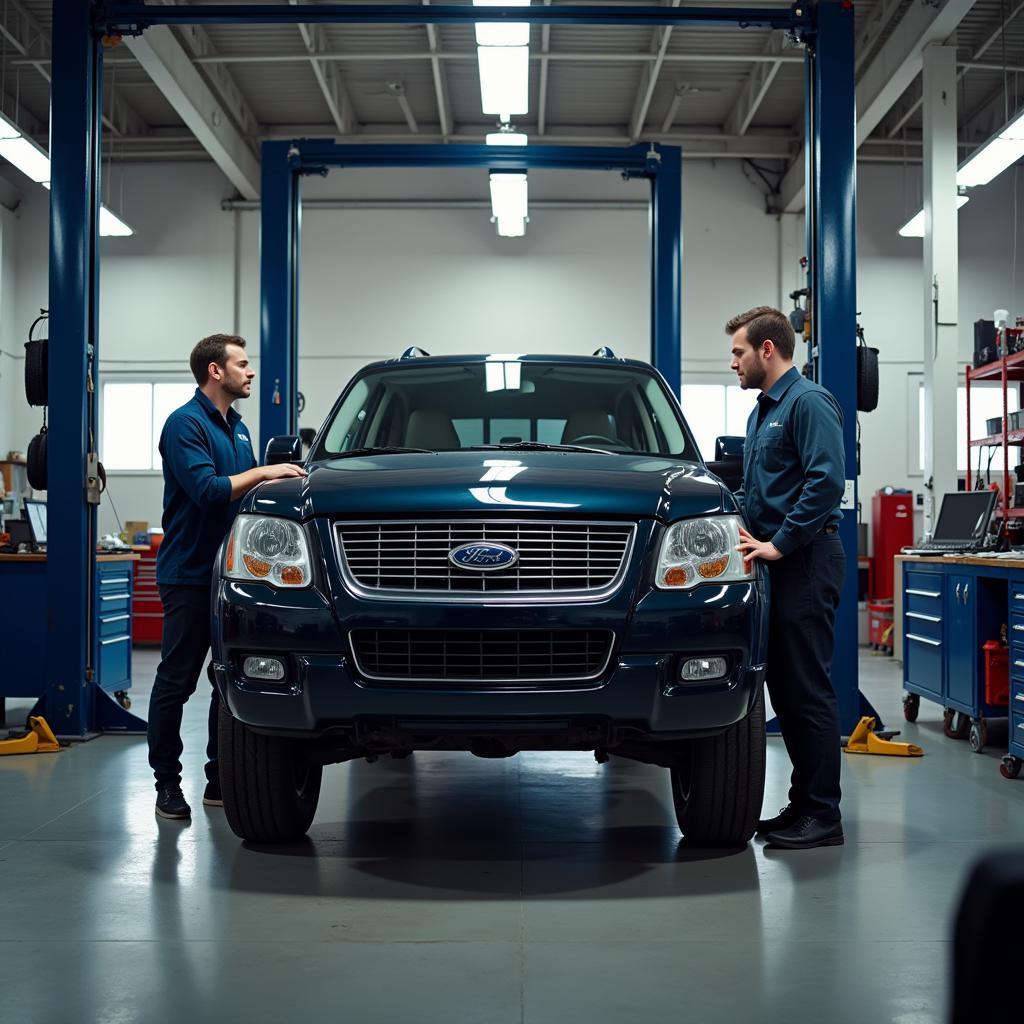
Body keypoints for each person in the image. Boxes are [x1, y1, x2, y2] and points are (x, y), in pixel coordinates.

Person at [149, 333, 306, 820]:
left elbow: (247, 505)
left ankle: (219, 779)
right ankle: (166, 786)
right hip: (189, 575)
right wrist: (265, 472)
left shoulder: (237, 428)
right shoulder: (185, 425)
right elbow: (209, 491)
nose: (250, 371)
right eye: (241, 364)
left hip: (231, 578)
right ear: (215, 371)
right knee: (177, 681)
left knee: (227, 680)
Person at [726, 306, 846, 850]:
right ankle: (802, 806)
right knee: (785, 691)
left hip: (806, 558)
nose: (734, 362)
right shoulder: (762, 412)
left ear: (767, 350)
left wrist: (779, 541)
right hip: (777, 565)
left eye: (738, 351)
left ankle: (823, 816)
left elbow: (826, 482)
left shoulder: (808, 403)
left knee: (807, 691)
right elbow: (761, 489)